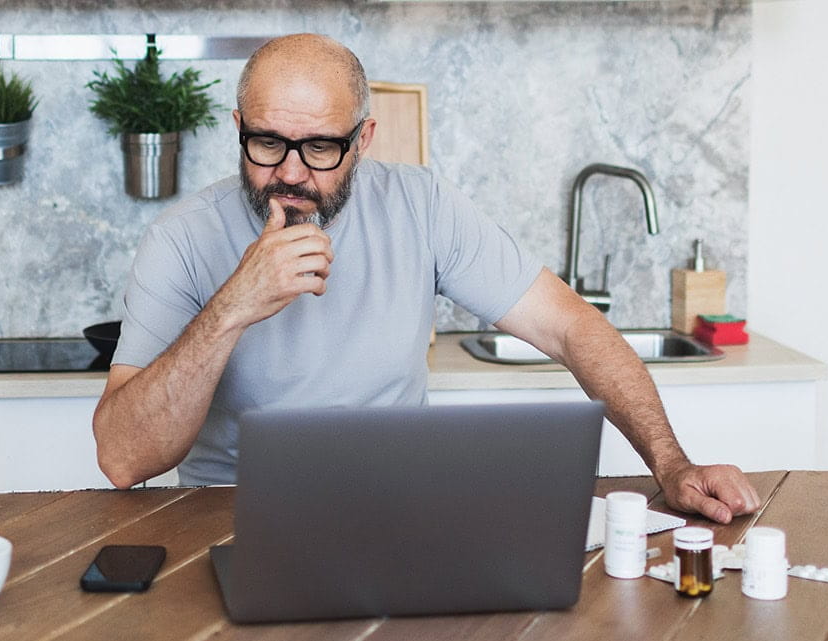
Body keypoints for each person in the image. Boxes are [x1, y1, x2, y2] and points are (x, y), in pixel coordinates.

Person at [92, 34, 760, 524]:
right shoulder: (180, 239)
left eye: (321, 147)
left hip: (398, 514)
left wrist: (670, 464)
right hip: (228, 519)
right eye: (267, 143)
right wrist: (232, 305)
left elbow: (569, 325)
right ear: (238, 129)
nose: (291, 172)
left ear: (365, 138)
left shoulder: (422, 206)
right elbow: (123, 458)